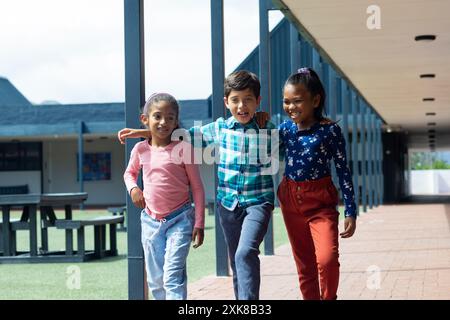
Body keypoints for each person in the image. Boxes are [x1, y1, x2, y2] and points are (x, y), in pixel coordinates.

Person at [119, 70, 277, 300]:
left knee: (245, 253)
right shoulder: (220, 128)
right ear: (226, 102)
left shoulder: (266, 127)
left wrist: (268, 124)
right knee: (235, 259)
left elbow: (285, 147)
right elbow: (179, 134)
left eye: (248, 99)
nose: (242, 106)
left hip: (258, 201)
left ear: (258, 101)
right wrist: (143, 132)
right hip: (228, 205)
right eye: (235, 100)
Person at [275, 67, 357, 300]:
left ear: (316, 100)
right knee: (305, 265)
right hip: (291, 200)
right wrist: (260, 120)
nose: (291, 107)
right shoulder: (284, 129)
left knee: (327, 259)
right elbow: (261, 141)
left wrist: (351, 210)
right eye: (286, 102)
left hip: (321, 203)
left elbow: (343, 170)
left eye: (297, 101)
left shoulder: (330, 130)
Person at [123, 93, 205, 300]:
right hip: (150, 222)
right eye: (157, 116)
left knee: (172, 277)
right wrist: (133, 188)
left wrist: (199, 223)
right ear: (145, 119)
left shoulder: (184, 149)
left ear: (176, 121)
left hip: (181, 219)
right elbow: (129, 173)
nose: (163, 122)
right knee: (156, 281)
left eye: (170, 118)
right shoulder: (140, 149)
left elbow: (197, 187)